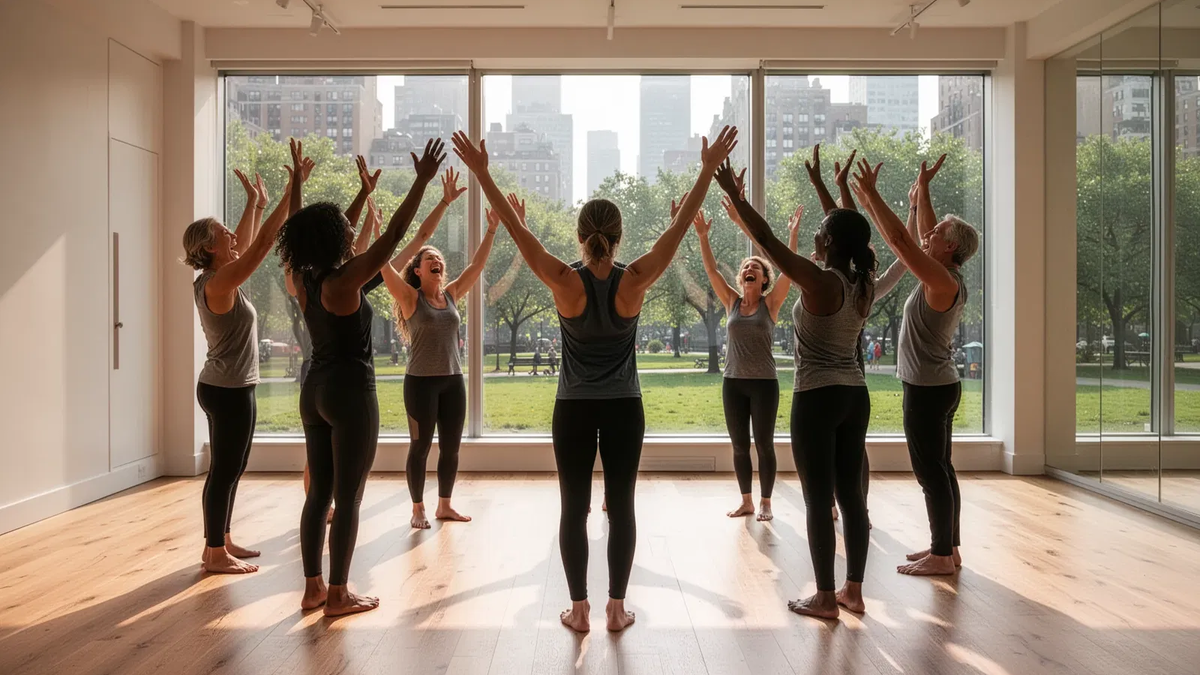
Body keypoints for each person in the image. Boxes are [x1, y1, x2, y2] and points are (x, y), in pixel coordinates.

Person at [451, 126, 738, 633]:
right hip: (625, 406)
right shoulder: (634, 279)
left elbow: (520, 233)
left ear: (580, 236)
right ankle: (616, 608)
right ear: (619, 235)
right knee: (622, 507)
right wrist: (707, 168)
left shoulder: (565, 281)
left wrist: (482, 172)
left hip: (574, 409)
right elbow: (679, 229)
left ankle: (579, 610)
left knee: (574, 508)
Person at [278, 140, 445, 616]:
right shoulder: (343, 281)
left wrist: (298, 188)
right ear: (335, 241)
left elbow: (300, 231)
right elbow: (393, 234)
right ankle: (338, 594)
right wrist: (421, 181)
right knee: (348, 499)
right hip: (350, 392)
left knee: (319, 496)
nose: (352, 234)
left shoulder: (303, 278)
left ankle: (312, 587)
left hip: (314, 391)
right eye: (344, 232)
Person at [715, 147, 876, 621]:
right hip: (855, 395)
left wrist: (736, 196)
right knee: (851, 498)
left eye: (820, 234)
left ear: (828, 242)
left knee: (816, 497)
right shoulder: (861, 279)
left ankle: (825, 597)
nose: (815, 237)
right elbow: (846, 225)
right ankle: (854, 592)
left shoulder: (821, 281)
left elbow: (766, 240)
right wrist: (832, 191)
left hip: (818, 397)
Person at [850, 154, 979, 577]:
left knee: (931, 473)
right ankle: (949, 548)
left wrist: (871, 198)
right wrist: (922, 188)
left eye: (939, 233)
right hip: (937, 384)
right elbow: (922, 235)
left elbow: (904, 243)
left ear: (951, 248)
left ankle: (942, 555)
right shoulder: (942, 274)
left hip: (927, 389)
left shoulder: (941, 280)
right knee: (942, 469)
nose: (931, 232)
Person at [183, 149, 309, 574]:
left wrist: (255, 203)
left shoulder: (216, 276)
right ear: (209, 247)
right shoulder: (220, 282)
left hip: (228, 386)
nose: (233, 238)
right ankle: (213, 552)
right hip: (227, 390)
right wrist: (292, 190)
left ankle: (222, 540)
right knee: (224, 470)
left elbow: (243, 242)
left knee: (231, 467)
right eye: (225, 234)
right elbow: (258, 246)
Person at [376, 168, 497, 529]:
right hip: (421, 383)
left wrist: (491, 229)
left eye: (438, 257)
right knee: (420, 447)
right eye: (429, 258)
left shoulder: (452, 294)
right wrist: (383, 236)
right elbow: (384, 268)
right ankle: (417, 509)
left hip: (452, 381)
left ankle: (444, 505)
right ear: (417, 271)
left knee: (451, 448)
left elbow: (476, 265)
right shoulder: (410, 298)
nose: (436, 260)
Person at [698, 198, 802, 521]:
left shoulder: (770, 305)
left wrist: (792, 236)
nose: (748, 269)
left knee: (764, 445)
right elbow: (712, 270)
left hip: (764, 385)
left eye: (755, 268)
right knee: (740, 446)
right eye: (746, 267)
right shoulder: (730, 301)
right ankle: (746, 501)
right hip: (733, 383)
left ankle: (767, 503)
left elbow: (789, 267)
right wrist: (703, 236)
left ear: (764, 279)